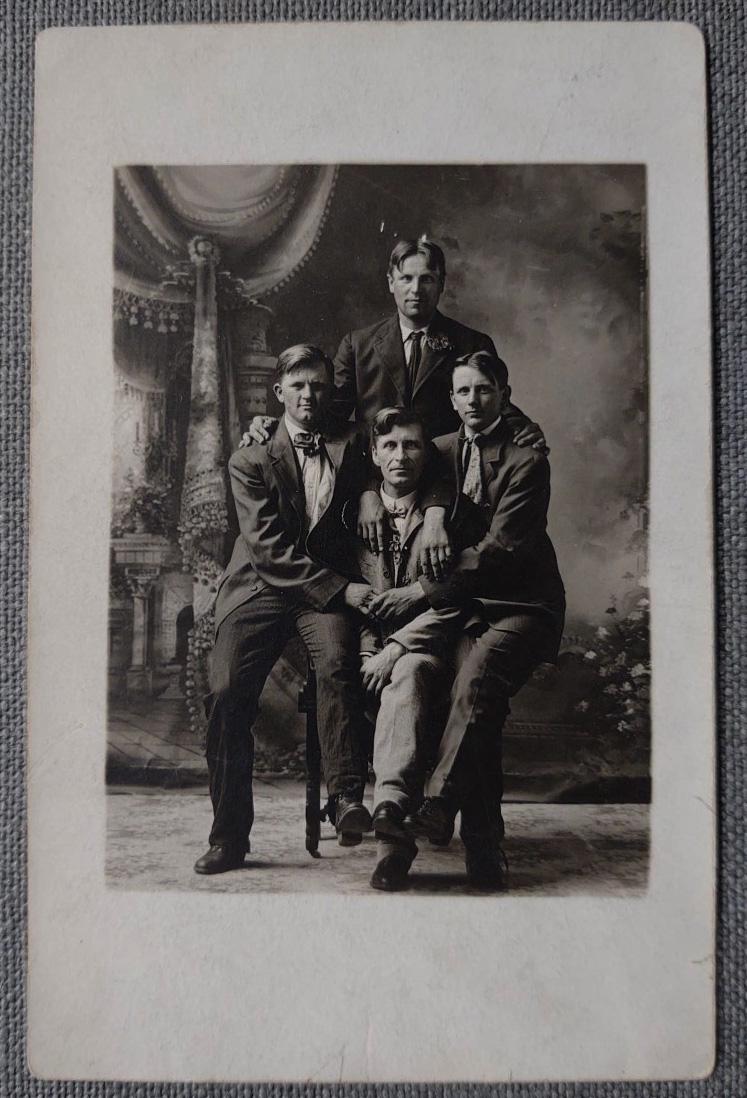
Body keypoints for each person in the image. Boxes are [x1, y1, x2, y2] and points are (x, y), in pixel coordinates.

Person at [368, 351, 566, 890]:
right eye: (462, 392)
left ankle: (443, 810)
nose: (473, 401)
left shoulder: (527, 460)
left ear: (504, 393)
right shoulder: (441, 450)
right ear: (451, 400)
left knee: (476, 683)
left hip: (519, 605)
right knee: (443, 689)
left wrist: (418, 588)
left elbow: (501, 550)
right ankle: (429, 844)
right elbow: (397, 476)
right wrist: (406, 507)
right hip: (461, 611)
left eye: (483, 390)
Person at [244, 238, 547, 579]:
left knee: (441, 585)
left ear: (441, 284)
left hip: (446, 487)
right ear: (390, 282)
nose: (416, 289)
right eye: (406, 278)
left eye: (427, 279)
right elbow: (324, 418)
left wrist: (524, 427)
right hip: (376, 486)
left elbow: (488, 402)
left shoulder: (471, 343)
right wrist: (274, 424)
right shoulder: (358, 345)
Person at [194, 344, 376, 875]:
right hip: (260, 587)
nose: (309, 395)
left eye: (318, 386)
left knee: (340, 666)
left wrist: (366, 490)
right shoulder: (249, 458)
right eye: (298, 386)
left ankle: (346, 800)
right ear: (279, 394)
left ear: (329, 391)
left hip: (320, 596)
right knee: (227, 692)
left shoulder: (353, 443)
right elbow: (269, 549)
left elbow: (399, 460)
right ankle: (229, 837)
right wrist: (342, 590)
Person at [351, 407, 483, 892]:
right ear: (374, 454)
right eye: (389, 445)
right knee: (396, 682)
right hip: (375, 654)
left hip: (434, 649)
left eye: (411, 445)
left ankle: (388, 813)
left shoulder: (450, 519)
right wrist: (369, 651)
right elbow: (357, 600)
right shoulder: (356, 517)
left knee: (407, 674)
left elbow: (455, 601)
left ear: (427, 454)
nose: (400, 455)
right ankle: (394, 835)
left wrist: (397, 647)